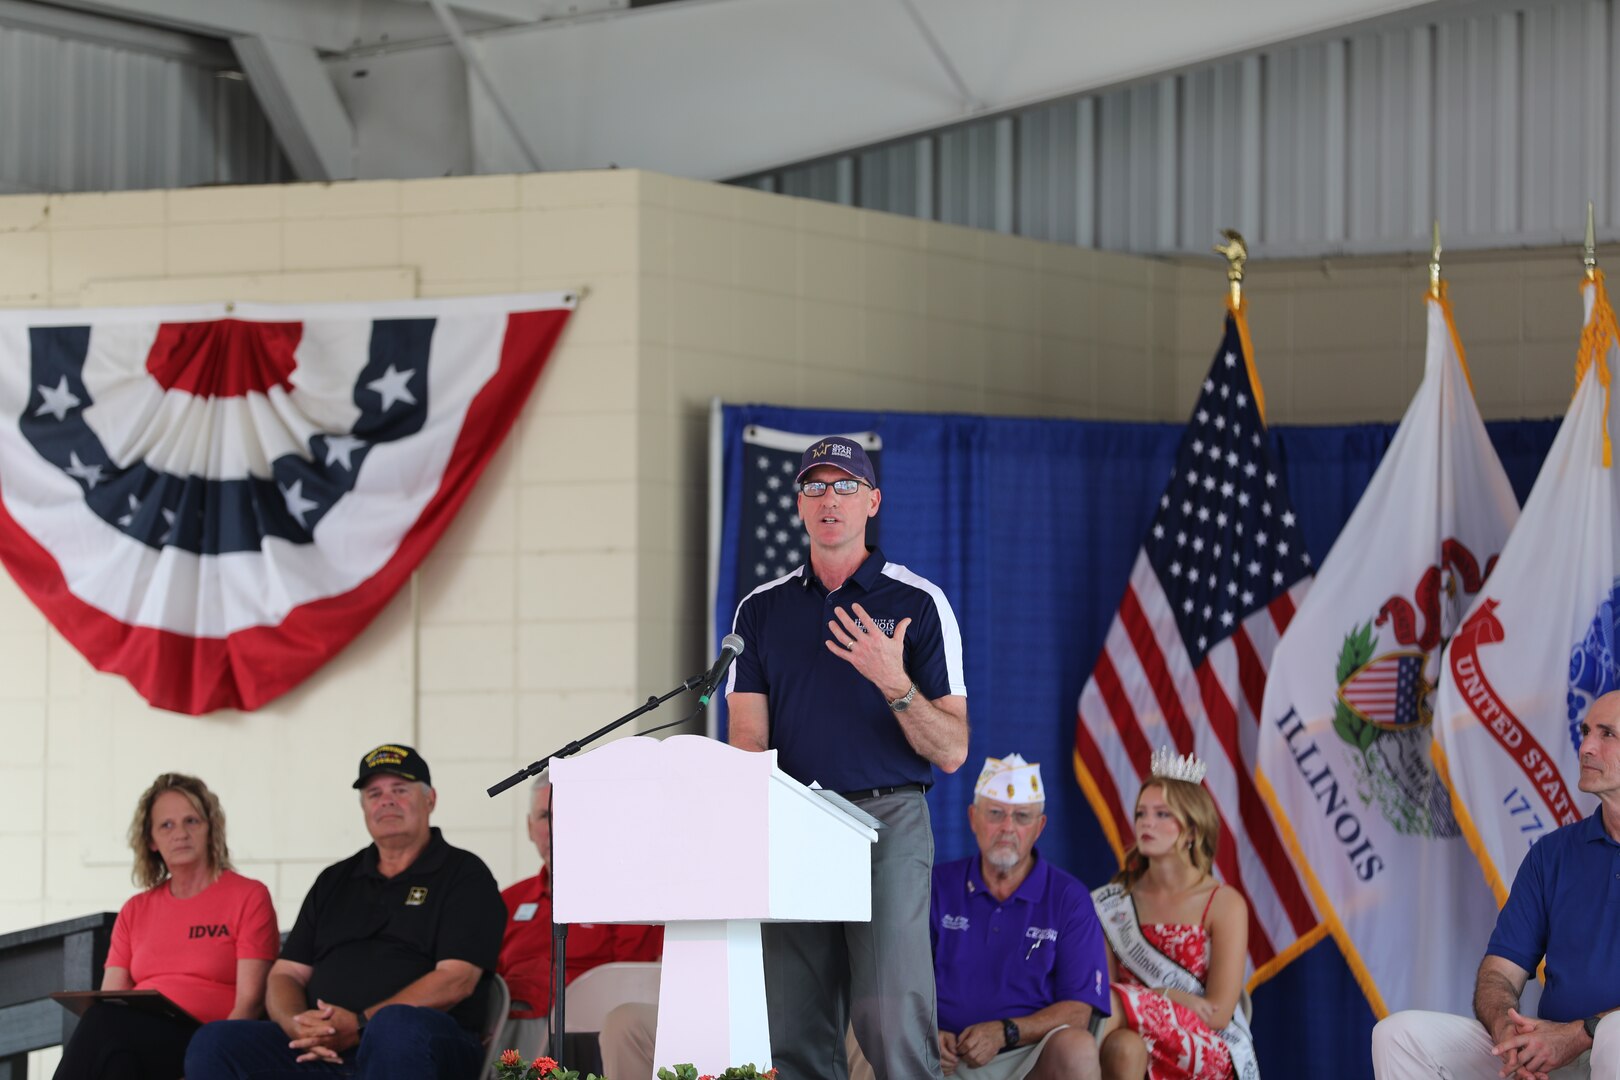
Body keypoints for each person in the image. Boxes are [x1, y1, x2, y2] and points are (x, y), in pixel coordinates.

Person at [727, 434, 970, 1080]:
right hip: (796, 820)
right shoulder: (761, 610)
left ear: (872, 502)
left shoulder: (917, 603)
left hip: (886, 819)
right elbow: (746, 740)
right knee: (793, 1025)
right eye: (814, 487)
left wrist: (895, 683)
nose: (828, 499)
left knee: (891, 1018)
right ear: (800, 506)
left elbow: (952, 750)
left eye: (843, 487)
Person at [184, 743, 506, 1079]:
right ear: (364, 806)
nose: (387, 801)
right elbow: (285, 974)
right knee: (216, 1041)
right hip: (326, 1045)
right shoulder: (335, 880)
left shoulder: (464, 874)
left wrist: (361, 1022)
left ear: (430, 799)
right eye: (374, 793)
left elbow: (456, 980)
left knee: (394, 1025)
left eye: (400, 789)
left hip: (424, 1045)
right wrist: (298, 1024)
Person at [1370, 690, 1620, 1080]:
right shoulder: (1554, 854)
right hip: (1554, 1052)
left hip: (1601, 1045)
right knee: (1398, 1035)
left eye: (1607, 735)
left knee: (1616, 1037)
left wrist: (1580, 1033)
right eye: (1586, 731)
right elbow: (1498, 974)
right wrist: (1509, 1033)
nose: (1586, 746)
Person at [54, 773, 278, 1080]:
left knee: (105, 1028)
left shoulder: (249, 896)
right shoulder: (135, 909)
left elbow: (249, 1003)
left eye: (191, 821)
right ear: (151, 841)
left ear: (211, 828)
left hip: (207, 1042)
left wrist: (211, 1060)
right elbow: (113, 996)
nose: (180, 834)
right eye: (166, 825)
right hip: (140, 1042)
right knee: (111, 1048)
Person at [928, 753, 1108, 1080]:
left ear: (1039, 827)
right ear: (972, 818)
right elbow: (899, 978)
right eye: (995, 813)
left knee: (1077, 1049)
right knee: (869, 1024)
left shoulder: (1069, 897)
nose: (1008, 827)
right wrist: (926, 1030)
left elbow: (1078, 1011)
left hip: (1027, 1056)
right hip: (941, 1054)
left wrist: (1005, 1032)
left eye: (1022, 816)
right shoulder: (938, 885)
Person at [1091, 748, 1255, 1080]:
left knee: (1111, 1010)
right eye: (1141, 814)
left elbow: (1218, 1014)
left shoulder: (1224, 903)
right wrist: (1168, 995)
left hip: (1205, 1044)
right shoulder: (1112, 902)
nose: (1147, 823)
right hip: (1127, 1036)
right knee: (1123, 1045)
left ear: (1193, 830)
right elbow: (1102, 997)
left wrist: (1144, 1003)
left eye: (1163, 814)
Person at [497, 778, 663, 1062]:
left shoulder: (627, 896)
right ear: (528, 827)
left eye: (568, 814)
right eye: (545, 816)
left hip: (583, 1034)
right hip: (507, 1022)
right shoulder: (508, 899)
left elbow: (629, 982)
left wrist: (549, 988)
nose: (555, 827)